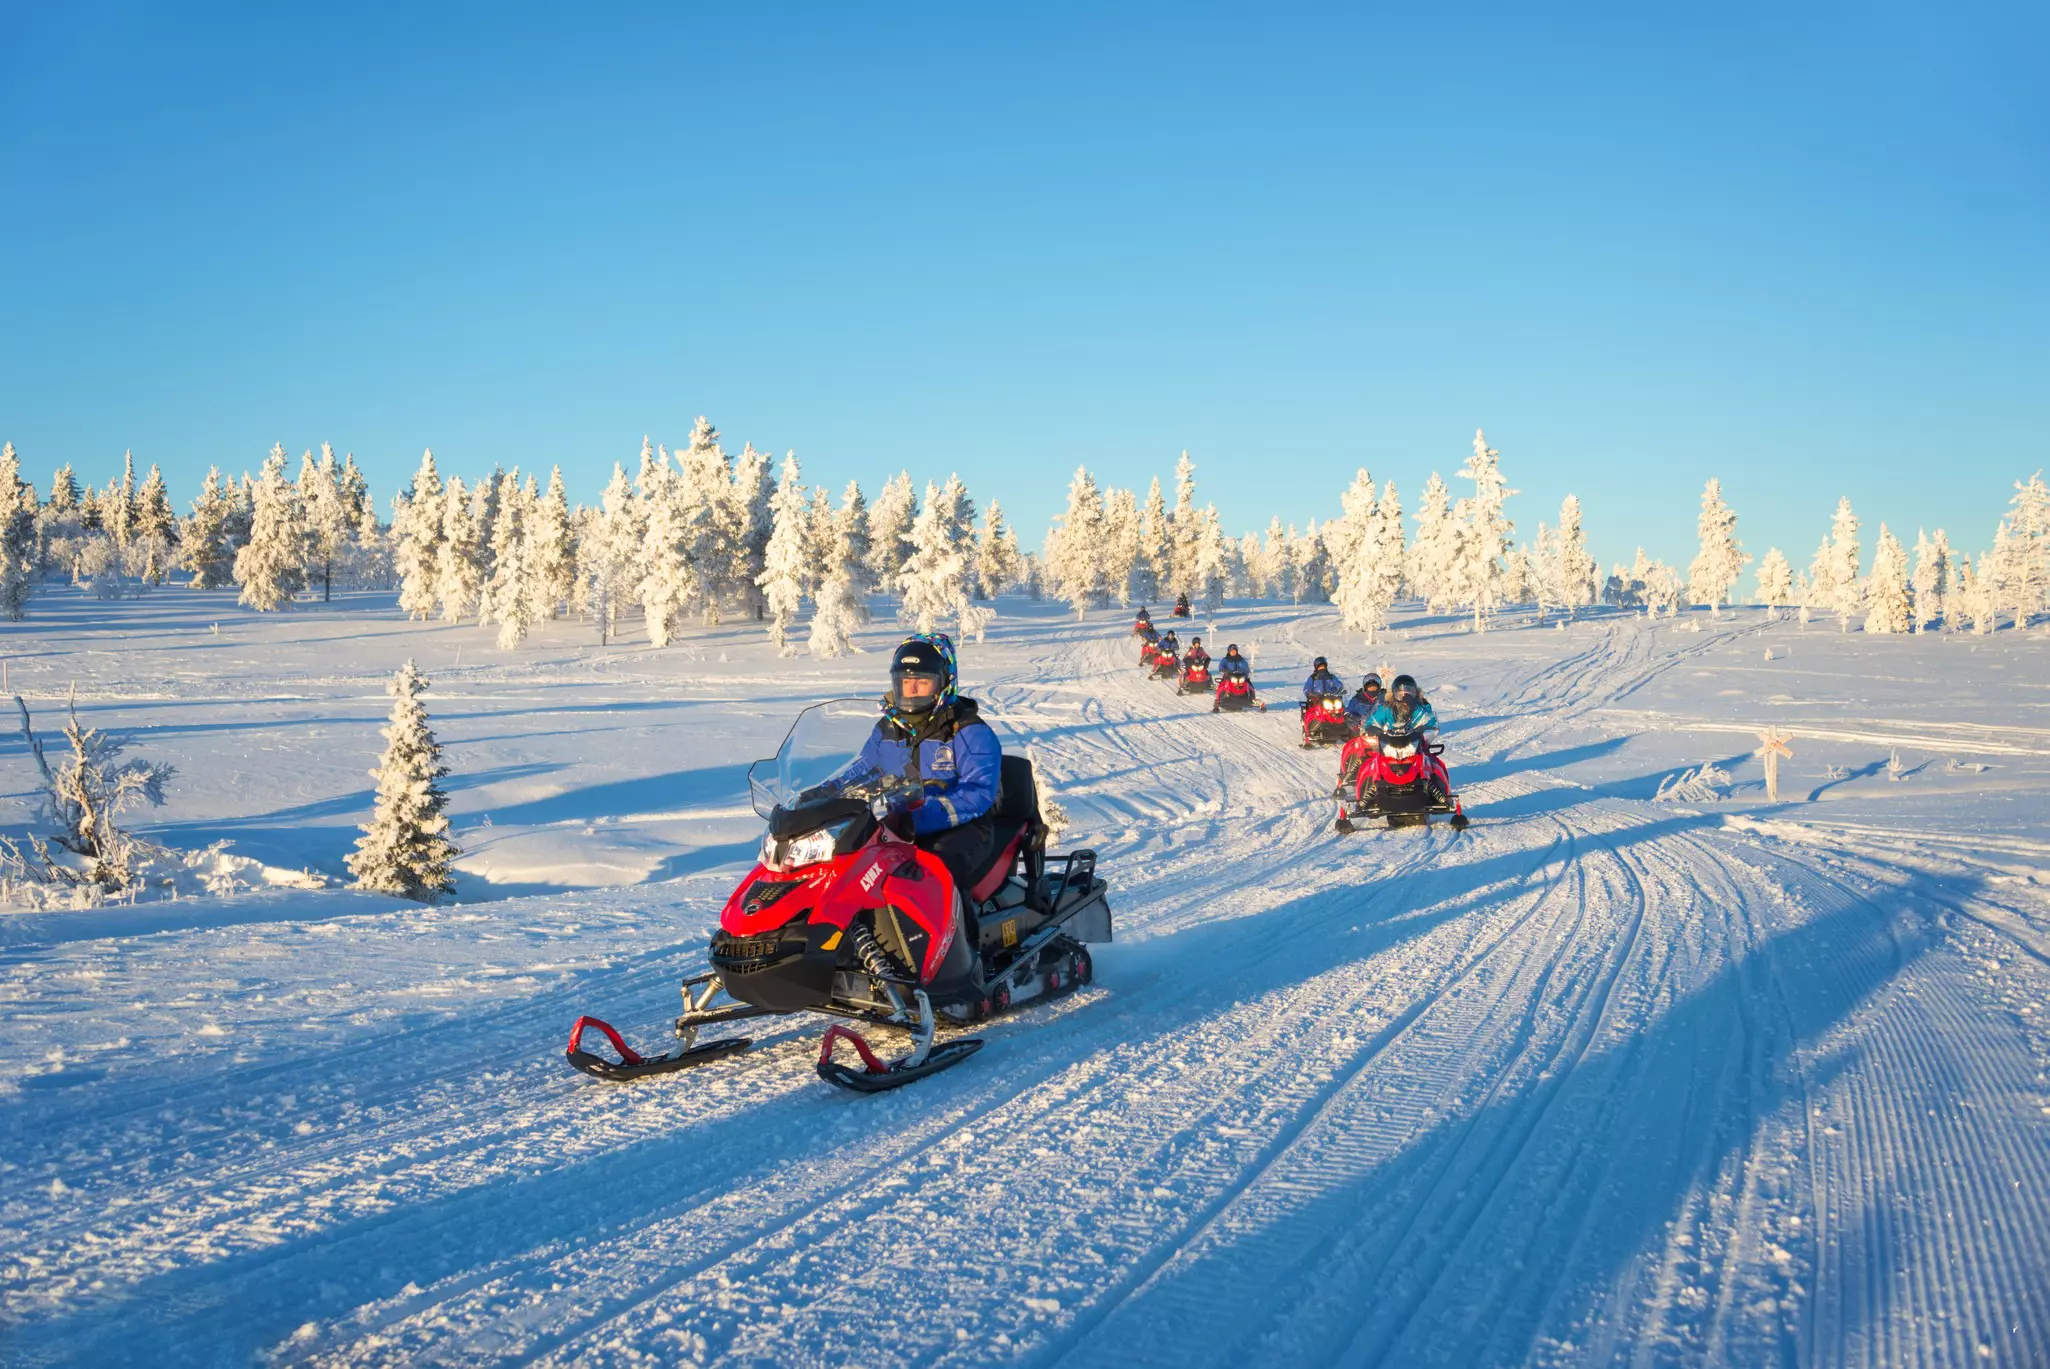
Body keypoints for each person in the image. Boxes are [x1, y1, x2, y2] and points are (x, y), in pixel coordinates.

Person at [857, 633, 1003, 895]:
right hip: (895, 825)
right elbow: (861, 773)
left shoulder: (968, 731)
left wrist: (919, 817)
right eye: (905, 682)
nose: (911, 691)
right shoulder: (886, 729)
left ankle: (961, 933)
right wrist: (820, 797)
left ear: (943, 683)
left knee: (938, 871)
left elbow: (978, 792)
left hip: (963, 825)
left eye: (921, 682)